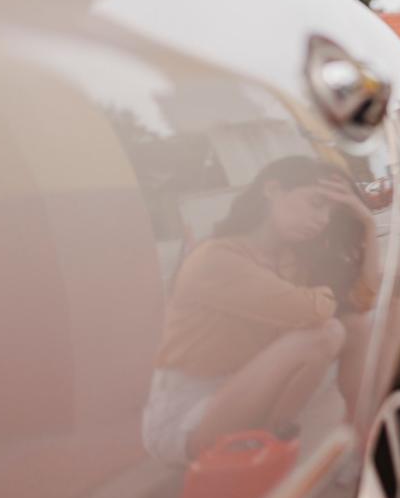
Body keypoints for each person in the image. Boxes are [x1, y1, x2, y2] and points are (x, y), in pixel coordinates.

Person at [142, 156, 373, 466]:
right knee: (324, 333)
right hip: (186, 416)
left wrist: (368, 225)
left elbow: (362, 300)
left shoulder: (291, 258)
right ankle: (274, 450)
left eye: (331, 212)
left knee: (355, 326)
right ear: (273, 190)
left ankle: (364, 443)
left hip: (246, 386)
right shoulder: (217, 258)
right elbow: (311, 310)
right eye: (316, 203)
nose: (323, 220)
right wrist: (330, 291)